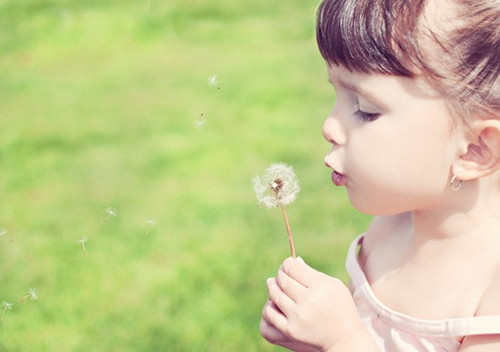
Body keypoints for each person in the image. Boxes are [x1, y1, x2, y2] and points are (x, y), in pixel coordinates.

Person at [259, 0, 500, 351]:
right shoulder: (388, 228)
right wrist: (315, 337)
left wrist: (342, 340)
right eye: (335, 93)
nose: (329, 126)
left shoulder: (490, 291)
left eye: (366, 110)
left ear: (473, 150)